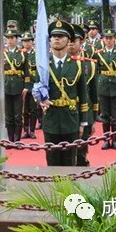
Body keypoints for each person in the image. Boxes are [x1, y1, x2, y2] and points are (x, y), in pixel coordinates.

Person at [38, 20, 89, 166]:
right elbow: (37, 88)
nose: (56, 39)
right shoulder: (43, 65)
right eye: (54, 36)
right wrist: (40, 100)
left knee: (69, 161)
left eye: (60, 36)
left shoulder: (77, 64)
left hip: (70, 119)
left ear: (68, 40)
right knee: (52, 161)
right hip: (51, 119)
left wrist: (83, 122)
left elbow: (83, 95)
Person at [69, 24, 97, 166]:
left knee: (81, 149)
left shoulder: (89, 65)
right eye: (69, 40)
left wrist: (93, 118)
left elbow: (93, 93)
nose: (71, 43)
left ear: (82, 42)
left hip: (84, 111)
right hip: (66, 111)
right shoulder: (56, 64)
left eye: (74, 40)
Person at [94, 29, 116, 150]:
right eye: (106, 38)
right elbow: (96, 71)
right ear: (103, 40)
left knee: (115, 115)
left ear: (114, 40)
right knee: (105, 115)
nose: (108, 40)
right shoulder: (99, 53)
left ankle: (115, 140)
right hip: (103, 86)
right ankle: (106, 140)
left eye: (110, 38)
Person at [3, 28, 28, 143]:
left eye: (12, 38)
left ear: (16, 39)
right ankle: (10, 138)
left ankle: (17, 139)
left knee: (18, 114)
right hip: (7, 85)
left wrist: (26, 86)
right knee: (9, 114)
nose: (10, 40)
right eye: (8, 38)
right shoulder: (3, 53)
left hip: (18, 85)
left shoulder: (22, 53)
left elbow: (26, 71)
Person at [20, 32, 40, 139]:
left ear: (32, 42)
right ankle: (25, 130)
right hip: (22, 84)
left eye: (28, 41)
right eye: (24, 41)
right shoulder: (20, 54)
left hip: (33, 84)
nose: (26, 43)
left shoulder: (36, 54)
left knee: (33, 109)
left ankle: (32, 130)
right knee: (24, 110)